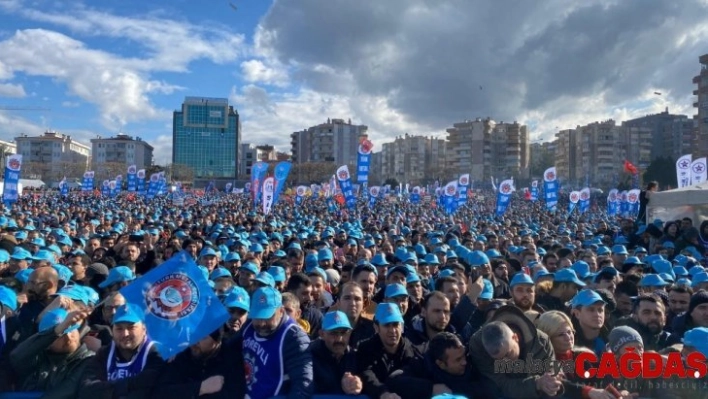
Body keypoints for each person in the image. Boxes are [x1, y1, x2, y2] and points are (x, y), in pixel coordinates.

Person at [469, 305, 561, 398]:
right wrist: (536, 384)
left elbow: (551, 374)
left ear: (515, 337)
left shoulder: (541, 342)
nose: (506, 362)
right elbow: (501, 385)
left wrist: (551, 383)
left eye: (508, 354)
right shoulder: (478, 347)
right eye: (499, 359)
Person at [241, 286, 313, 399]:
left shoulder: (294, 337)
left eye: (267, 316)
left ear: (281, 311)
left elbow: (303, 383)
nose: (261, 323)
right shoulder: (249, 326)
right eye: (257, 316)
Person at [79, 303, 164, 398]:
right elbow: (87, 389)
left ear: (144, 328)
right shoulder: (104, 354)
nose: (125, 334)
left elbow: (150, 388)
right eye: (119, 328)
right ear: (112, 330)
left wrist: (108, 389)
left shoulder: (157, 353)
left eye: (131, 327)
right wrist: (132, 384)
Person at [10, 308, 94, 398]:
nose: (68, 337)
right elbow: (16, 356)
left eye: (71, 330)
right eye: (62, 335)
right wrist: (56, 331)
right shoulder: (38, 358)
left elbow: (67, 390)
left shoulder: (90, 360)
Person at [155, 328, 245, 398]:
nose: (195, 342)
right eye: (193, 334)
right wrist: (200, 388)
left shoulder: (232, 360)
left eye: (203, 337)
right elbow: (161, 392)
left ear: (217, 340)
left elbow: (234, 394)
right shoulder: (181, 355)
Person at [356, 303, 420, 399]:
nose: (392, 330)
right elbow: (366, 375)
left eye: (395, 325)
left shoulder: (411, 351)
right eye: (387, 325)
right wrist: (383, 393)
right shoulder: (365, 348)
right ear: (376, 327)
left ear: (401, 327)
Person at [310, 310, 362, 395]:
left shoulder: (354, 356)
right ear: (322, 334)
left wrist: (358, 385)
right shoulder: (309, 357)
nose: (339, 339)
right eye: (333, 333)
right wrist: (341, 386)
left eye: (344, 333)